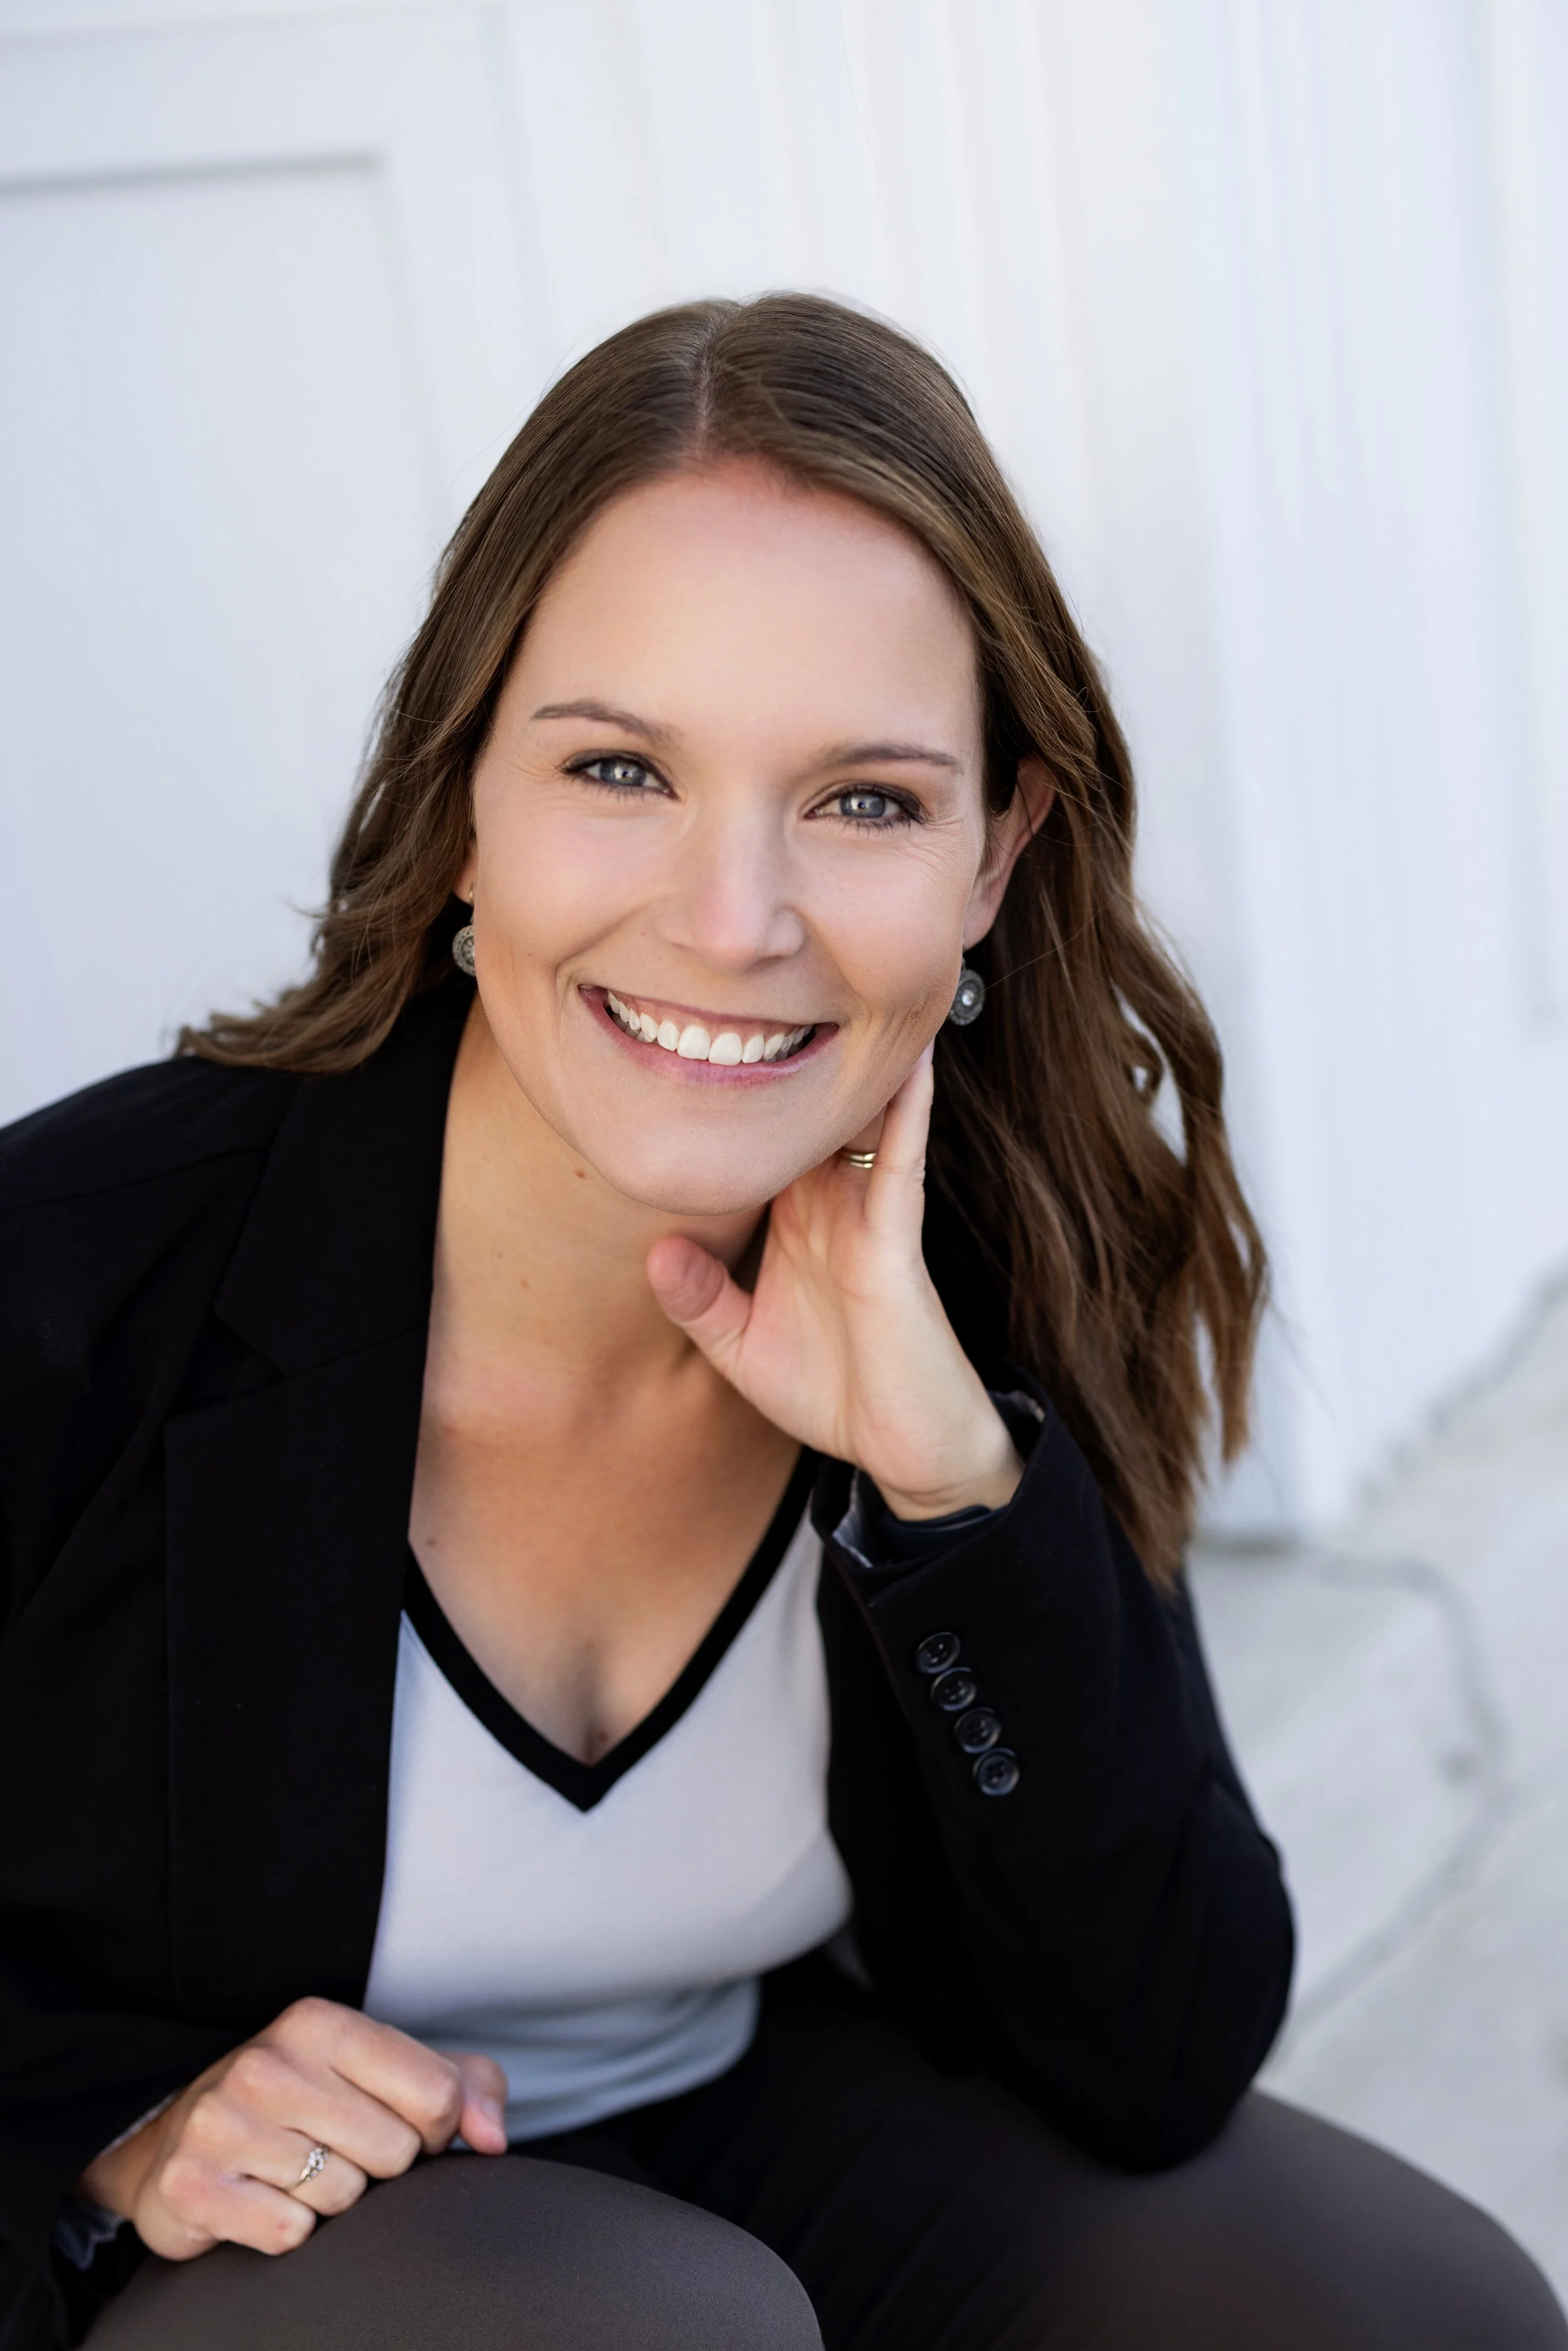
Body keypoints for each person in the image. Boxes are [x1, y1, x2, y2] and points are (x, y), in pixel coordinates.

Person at [0, 295, 1560, 2351]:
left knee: (1396, 2307)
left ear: (994, 853)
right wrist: (103, 2133)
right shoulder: (79, 1269)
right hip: (223, 2249)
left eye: (863, 802)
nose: (732, 918)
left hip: (733, 2121)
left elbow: (1157, 2049)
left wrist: (952, 1491)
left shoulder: (974, 1253)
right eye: (621, 767)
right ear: (466, 792)